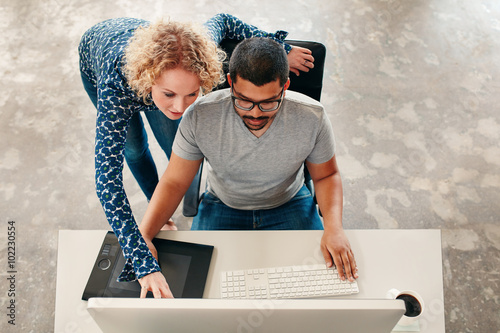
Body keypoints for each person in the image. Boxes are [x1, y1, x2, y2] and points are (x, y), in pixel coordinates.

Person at [79, 14, 315, 284]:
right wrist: (141, 257)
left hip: (157, 64)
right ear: (149, 81)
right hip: (106, 65)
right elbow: (106, 183)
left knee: (177, 152)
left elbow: (225, 21)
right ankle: (156, 207)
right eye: (169, 95)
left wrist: (281, 49)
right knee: (133, 149)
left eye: (192, 94)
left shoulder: (195, 50)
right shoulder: (115, 88)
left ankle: (167, 206)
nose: (181, 107)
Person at [138, 37, 359, 298]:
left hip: (290, 203)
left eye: (268, 102)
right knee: (202, 295)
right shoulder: (199, 116)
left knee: (318, 289)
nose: (255, 114)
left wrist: (334, 227)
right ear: (230, 82)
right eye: (243, 101)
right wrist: (143, 237)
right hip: (222, 204)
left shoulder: (313, 117)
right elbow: (174, 181)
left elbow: (327, 175)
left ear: (285, 87)